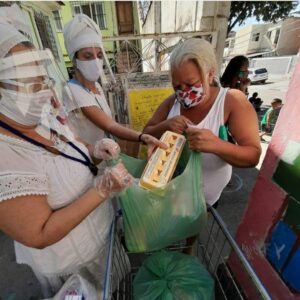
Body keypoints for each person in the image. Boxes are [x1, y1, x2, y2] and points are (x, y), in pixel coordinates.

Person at [0, 5, 134, 297]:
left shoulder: (39, 114)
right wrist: (100, 190)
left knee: (118, 289)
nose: (41, 91)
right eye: (27, 83)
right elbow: (38, 233)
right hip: (71, 264)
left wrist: (95, 149)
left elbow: (73, 146)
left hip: (102, 239)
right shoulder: (4, 152)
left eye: (40, 78)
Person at [143, 38, 261, 209]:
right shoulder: (172, 102)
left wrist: (216, 145)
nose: (183, 92)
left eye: (190, 84)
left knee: (197, 230)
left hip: (207, 203)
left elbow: (253, 156)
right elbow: (146, 133)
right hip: (171, 194)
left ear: (210, 74)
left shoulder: (231, 101)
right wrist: (165, 126)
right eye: (177, 86)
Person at [63, 14, 165, 155]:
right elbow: (110, 126)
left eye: (99, 56)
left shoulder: (97, 88)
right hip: (90, 161)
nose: (95, 61)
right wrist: (141, 137)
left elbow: (108, 126)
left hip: (105, 156)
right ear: (75, 59)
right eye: (87, 56)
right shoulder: (72, 90)